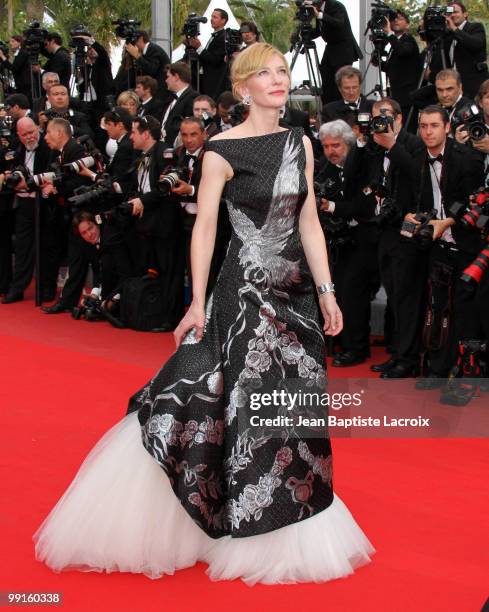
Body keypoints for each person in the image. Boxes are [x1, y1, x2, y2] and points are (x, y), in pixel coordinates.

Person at [33, 43, 374, 584]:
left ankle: (291, 521)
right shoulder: (219, 149)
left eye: (282, 71)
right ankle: (230, 519)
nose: (278, 80)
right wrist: (196, 302)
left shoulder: (300, 143)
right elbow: (206, 228)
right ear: (243, 87)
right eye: (265, 73)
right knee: (229, 399)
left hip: (297, 296)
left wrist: (328, 292)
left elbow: (308, 222)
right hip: (245, 296)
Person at [313, 0, 363, 103]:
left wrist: (320, 15)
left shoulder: (336, 6)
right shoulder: (319, 9)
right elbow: (319, 30)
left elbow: (339, 22)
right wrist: (302, 35)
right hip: (330, 48)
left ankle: (342, 110)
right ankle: (328, 110)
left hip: (343, 50)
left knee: (340, 83)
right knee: (326, 83)